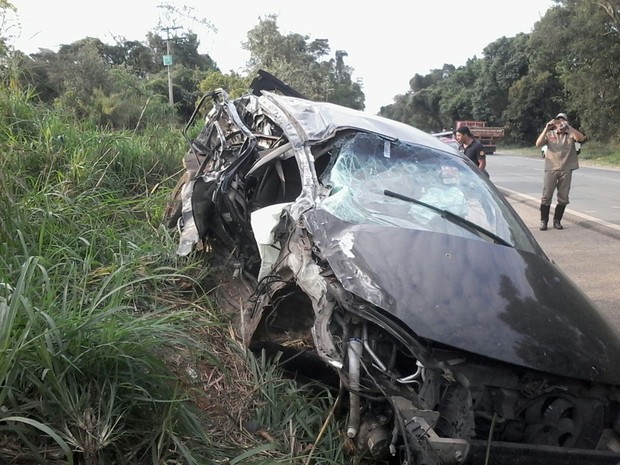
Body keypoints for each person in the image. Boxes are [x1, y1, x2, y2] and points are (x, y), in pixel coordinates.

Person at [535, 112, 585, 231]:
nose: (561, 124)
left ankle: (557, 221)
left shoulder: (570, 134)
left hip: (566, 168)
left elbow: (581, 138)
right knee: (546, 196)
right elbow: (538, 144)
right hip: (551, 168)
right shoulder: (550, 133)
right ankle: (543, 221)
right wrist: (546, 128)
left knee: (563, 197)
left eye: (563, 121)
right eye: (558, 121)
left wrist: (570, 127)